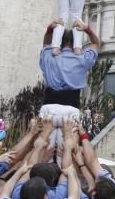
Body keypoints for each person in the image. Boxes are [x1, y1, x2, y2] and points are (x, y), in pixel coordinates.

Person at [39, 19, 101, 152]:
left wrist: (50, 29)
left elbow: (46, 43)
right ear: (75, 44)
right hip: (70, 111)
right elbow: (96, 43)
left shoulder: (49, 57)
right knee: (67, 154)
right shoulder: (83, 59)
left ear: (58, 43)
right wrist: (87, 29)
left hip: (49, 109)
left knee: (42, 151)